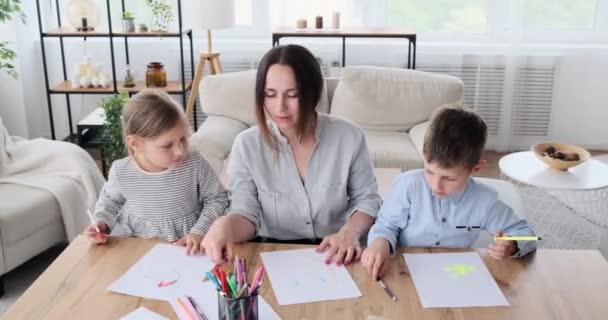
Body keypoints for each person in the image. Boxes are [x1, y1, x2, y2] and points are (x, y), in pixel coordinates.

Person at [202, 44, 382, 265]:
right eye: (270, 94)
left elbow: (367, 199)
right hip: (272, 251)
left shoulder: (349, 137)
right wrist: (224, 226)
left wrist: (350, 232)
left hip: (335, 251)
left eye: (292, 95)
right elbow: (246, 212)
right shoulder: (246, 145)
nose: (280, 107)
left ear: (312, 93)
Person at [362, 105, 537, 280]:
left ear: (476, 169)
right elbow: (386, 225)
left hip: (455, 275)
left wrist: (513, 244)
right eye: (429, 172)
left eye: (449, 178)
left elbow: (528, 235)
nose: (436, 185)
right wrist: (380, 243)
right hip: (405, 271)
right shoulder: (407, 186)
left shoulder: (485, 201)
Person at [84, 89, 229, 255]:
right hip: (137, 249)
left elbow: (218, 199)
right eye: (167, 146)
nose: (180, 151)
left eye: (184, 138)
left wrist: (199, 231)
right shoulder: (121, 171)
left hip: (188, 249)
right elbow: (110, 201)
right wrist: (101, 223)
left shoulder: (194, 162)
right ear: (135, 144)